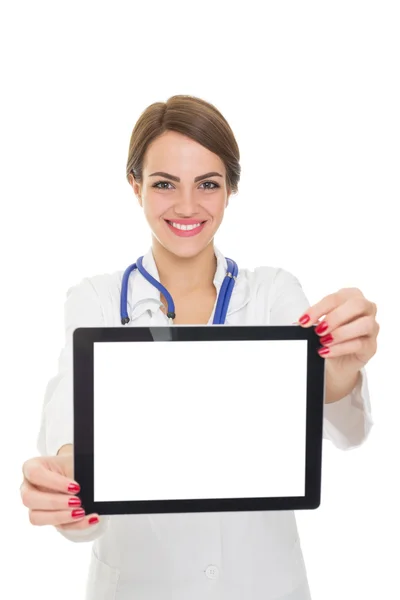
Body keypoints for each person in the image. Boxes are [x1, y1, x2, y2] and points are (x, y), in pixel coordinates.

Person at [20, 95, 379, 600]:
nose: (187, 206)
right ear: (135, 187)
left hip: (265, 585)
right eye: (164, 183)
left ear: (230, 189)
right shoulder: (97, 300)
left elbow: (337, 424)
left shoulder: (273, 294)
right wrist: (69, 480)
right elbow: (71, 420)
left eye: (207, 184)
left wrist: (341, 369)